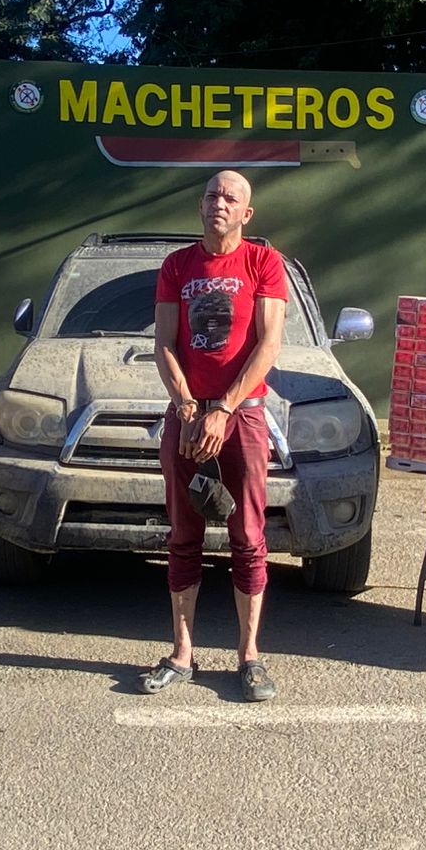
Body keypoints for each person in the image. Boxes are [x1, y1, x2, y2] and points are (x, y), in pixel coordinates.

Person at [143, 170, 288, 701]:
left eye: (230, 197)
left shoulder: (263, 262)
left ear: (246, 213)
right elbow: (164, 343)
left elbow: (269, 344)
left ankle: (249, 657)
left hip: (241, 415)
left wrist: (224, 408)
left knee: (247, 536)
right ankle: (182, 654)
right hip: (186, 416)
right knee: (183, 535)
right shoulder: (177, 266)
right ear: (200, 206)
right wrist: (187, 407)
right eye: (211, 195)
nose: (218, 203)